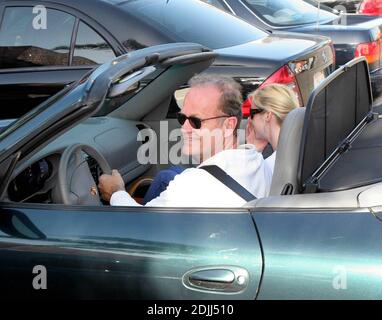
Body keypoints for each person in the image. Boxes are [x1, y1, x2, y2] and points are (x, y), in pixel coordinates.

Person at [98, 75, 272, 207]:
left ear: (228, 125)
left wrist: (115, 192)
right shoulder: (255, 158)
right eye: (182, 118)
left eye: (196, 121)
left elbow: (138, 224)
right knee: (167, 175)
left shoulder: (191, 187)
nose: (184, 128)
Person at [246, 84, 299, 174]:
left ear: (268, 115)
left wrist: (250, 153)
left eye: (252, 113)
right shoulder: (298, 150)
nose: (249, 119)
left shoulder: (268, 167)